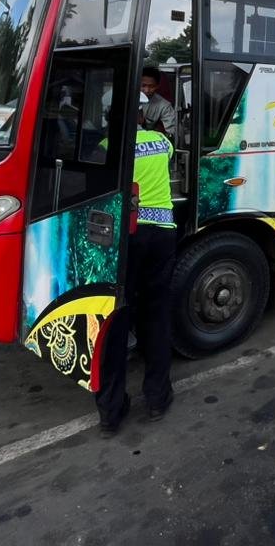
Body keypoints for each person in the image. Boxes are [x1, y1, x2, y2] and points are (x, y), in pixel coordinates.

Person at [95, 92, 177, 435]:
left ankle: (111, 412)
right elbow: (172, 159)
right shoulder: (160, 141)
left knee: (116, 319)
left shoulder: (104, 146)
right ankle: (157, 398)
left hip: (124, 239)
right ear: (142, 113)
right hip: (161, 235)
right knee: (156, 315)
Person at [140, 66, 178, 140]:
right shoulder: (126, 98)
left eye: (151, 86)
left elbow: (172, 132)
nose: (147, 90)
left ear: (157, 86)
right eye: (143, 85)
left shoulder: (164, 105)